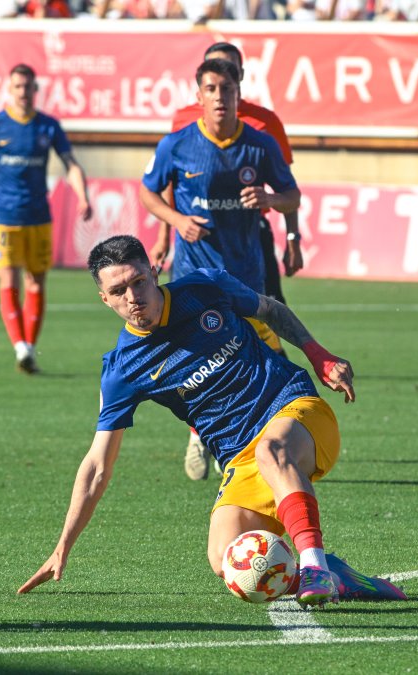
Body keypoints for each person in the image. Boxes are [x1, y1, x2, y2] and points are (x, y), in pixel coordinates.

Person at [17, 235, 406, 606]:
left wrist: (318, 354)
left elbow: (270, 309)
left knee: (273, 451)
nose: (133, 297)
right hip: (239, 457)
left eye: (138, 282)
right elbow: (98, 464)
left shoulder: (204, 288)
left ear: (154, 272)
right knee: (226, 560)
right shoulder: (123, 370)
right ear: (104, 299)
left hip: (296, 412)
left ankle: (314, 566)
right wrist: (62, 546)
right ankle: (339, 578)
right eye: (119, 291)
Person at [140, 58, 300, 481]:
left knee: (259, 360)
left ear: (237, 94)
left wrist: (269, 200)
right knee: (200, 359)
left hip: (246, 274)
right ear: (199, 96)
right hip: (194, 276)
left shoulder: (260, 144)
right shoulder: (176, 145)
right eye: (210, 89)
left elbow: (292, 195)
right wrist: (175, 222)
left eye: (226, 90)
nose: (219, 98)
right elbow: (147, 192)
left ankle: (257, 440)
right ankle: (202, 432)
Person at [0, 64, 92, 375]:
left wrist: (83, 194)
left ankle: (28, 348)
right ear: (10, 89)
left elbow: (70, 164)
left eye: (28, 87)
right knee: (8, 280)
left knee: (36, 281)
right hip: (4, 218)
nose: (23, 92)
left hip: (38, 217)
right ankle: (20, 346)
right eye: (17, 87)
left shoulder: (48, 126)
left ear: (35, 90)